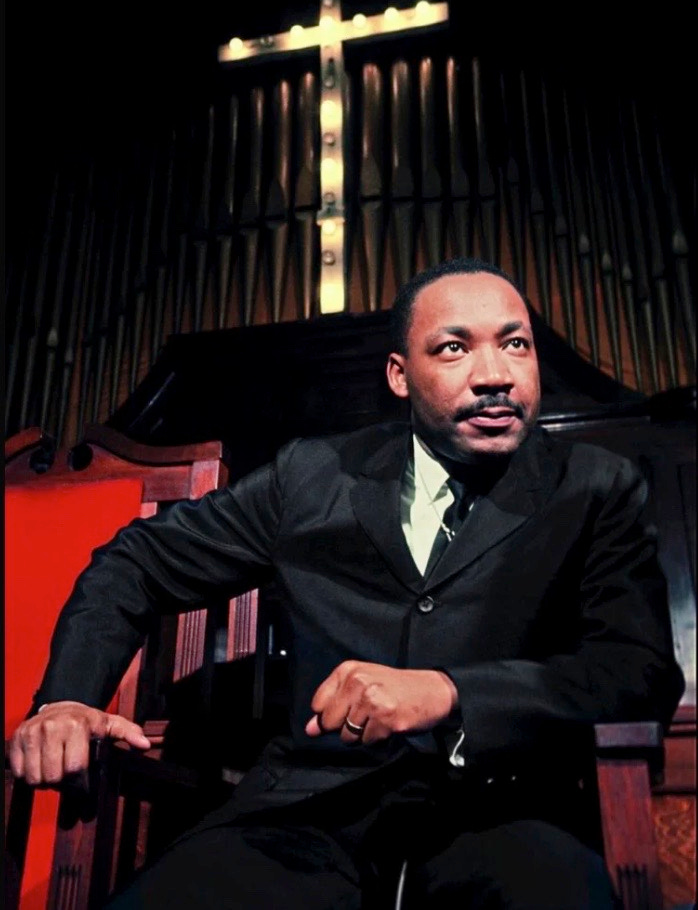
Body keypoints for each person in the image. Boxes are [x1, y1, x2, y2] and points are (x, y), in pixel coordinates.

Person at [10, 257, 683, 908]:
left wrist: (451, 694)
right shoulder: (313, 476)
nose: (494, 375)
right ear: (400, 374)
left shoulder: (594, 488)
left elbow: (638, 671)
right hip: (307, 816)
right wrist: (66, 700)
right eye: (454, 349)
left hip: (505, 812)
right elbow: (137, 562)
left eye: (516, 344)